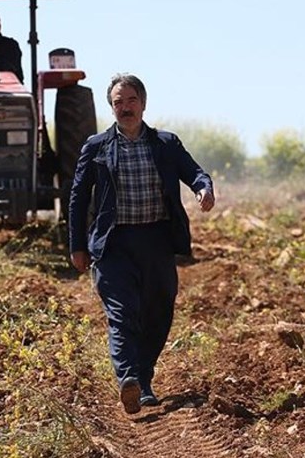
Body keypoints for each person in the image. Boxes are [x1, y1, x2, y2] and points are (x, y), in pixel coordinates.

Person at [68, 73, 215, 415]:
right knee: (122, 315)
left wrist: (202, 188)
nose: (125, 108)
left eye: (131, 101)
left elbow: (194, 172)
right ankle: (128, 378)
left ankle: (143, 380)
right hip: (113, 243)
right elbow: (77, 198)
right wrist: (77, 244)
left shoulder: (165, 143)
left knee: (158, 313)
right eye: (118, 103)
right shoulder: (97, 147)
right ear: (112, 108)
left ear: (143, 103)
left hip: (156, 240)